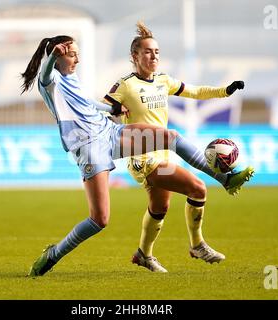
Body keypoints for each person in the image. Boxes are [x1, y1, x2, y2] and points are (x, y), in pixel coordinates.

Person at [20, 35, 252, 277]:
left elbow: (86, 102)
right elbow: (45, 74)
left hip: (108, 132)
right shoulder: (49, 80)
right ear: (58, 57)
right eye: (71, 54)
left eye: (77, 53)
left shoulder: (71, 77)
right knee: (99, 219)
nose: (77, 58)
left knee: (170, 137)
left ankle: (225, 179)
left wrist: (111, 109)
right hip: (89, 148)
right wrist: (52, 57)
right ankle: (53, 254)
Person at [103, 22, 254, 273]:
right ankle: (198, 244)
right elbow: (103, 111)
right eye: (148, 51)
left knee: (159, 207)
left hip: (162, 154)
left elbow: (195, 91)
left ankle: (143, 254)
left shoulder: (163, 81)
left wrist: (225, 91)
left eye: (157, 52)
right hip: (143, 158)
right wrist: (114, 113)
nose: (154, 56)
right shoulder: (125, 85)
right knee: (197, 188)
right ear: (135, 56)